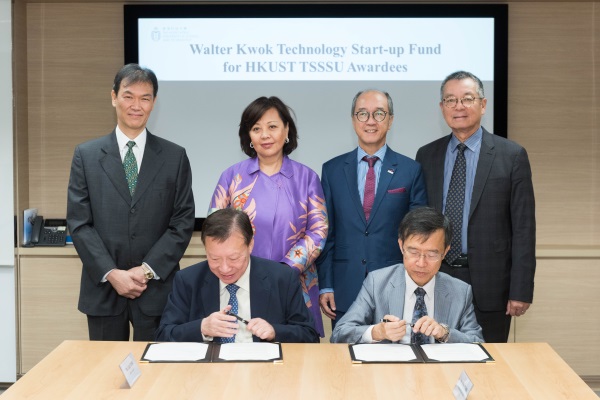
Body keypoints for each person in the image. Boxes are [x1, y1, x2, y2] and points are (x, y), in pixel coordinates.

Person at [67, 63, 195, 341]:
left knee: (158, 374)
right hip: (103, 289)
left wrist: (146, 271)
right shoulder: (86, 156)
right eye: (128, 96)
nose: (136, 105)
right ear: (114, 97)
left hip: (157, 290)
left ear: (154, 102)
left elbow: (182, 222)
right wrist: (112, 273)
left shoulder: (175, 157)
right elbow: (80, 224)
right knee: (105, 374)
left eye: (145, 98)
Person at [415, 71, 536, 343]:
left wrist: (520, 289)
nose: (459, 106)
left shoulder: (511, 155)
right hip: (437, 278)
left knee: (488, 364)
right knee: (434, 359)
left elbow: (524, 229)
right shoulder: (427, 155)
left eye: (467, 99)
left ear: (482, 104)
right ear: (442, 107)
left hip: (491, 285)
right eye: (451, 100)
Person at [209, 96, 328, 336]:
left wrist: (284, 271)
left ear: (286, 131)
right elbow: (215, 230)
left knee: (295, 356)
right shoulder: (232, 177)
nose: (265, 135)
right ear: (249, 137)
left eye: (272, 127)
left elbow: (318, 231)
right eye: (256, 128)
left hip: (295, 283)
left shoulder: (307, 178)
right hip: (240, 282)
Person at [317, 89, 428, 328]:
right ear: (353, 120)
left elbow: (419, 236)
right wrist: (326, 284)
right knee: (345, 358)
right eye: (362, 114)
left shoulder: (410, 170)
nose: (370, 121)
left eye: (379, 113)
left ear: (390, 120)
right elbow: (327, 233)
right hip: (345, 288)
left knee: (395, 360)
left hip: (396, 286)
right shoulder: (332, 170)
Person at [156, 209, 319, 343]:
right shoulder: (188, 280)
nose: (225, 268)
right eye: (214, 259)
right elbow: (163, 335)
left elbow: (310, 336)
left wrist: (275, 331)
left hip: (264, 373)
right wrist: (202, 327)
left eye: (233, 258)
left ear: (250, 245)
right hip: (208, 373)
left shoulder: (282, 278)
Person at [331, 207, 483, 344]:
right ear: (401, 246)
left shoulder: (461, 291)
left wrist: (445, 334)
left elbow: (478, 342)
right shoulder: (377, 283)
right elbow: (339, 334)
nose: (421, 263)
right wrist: (377, 332)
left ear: (445, 252)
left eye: (432, 254)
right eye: (414, 252)